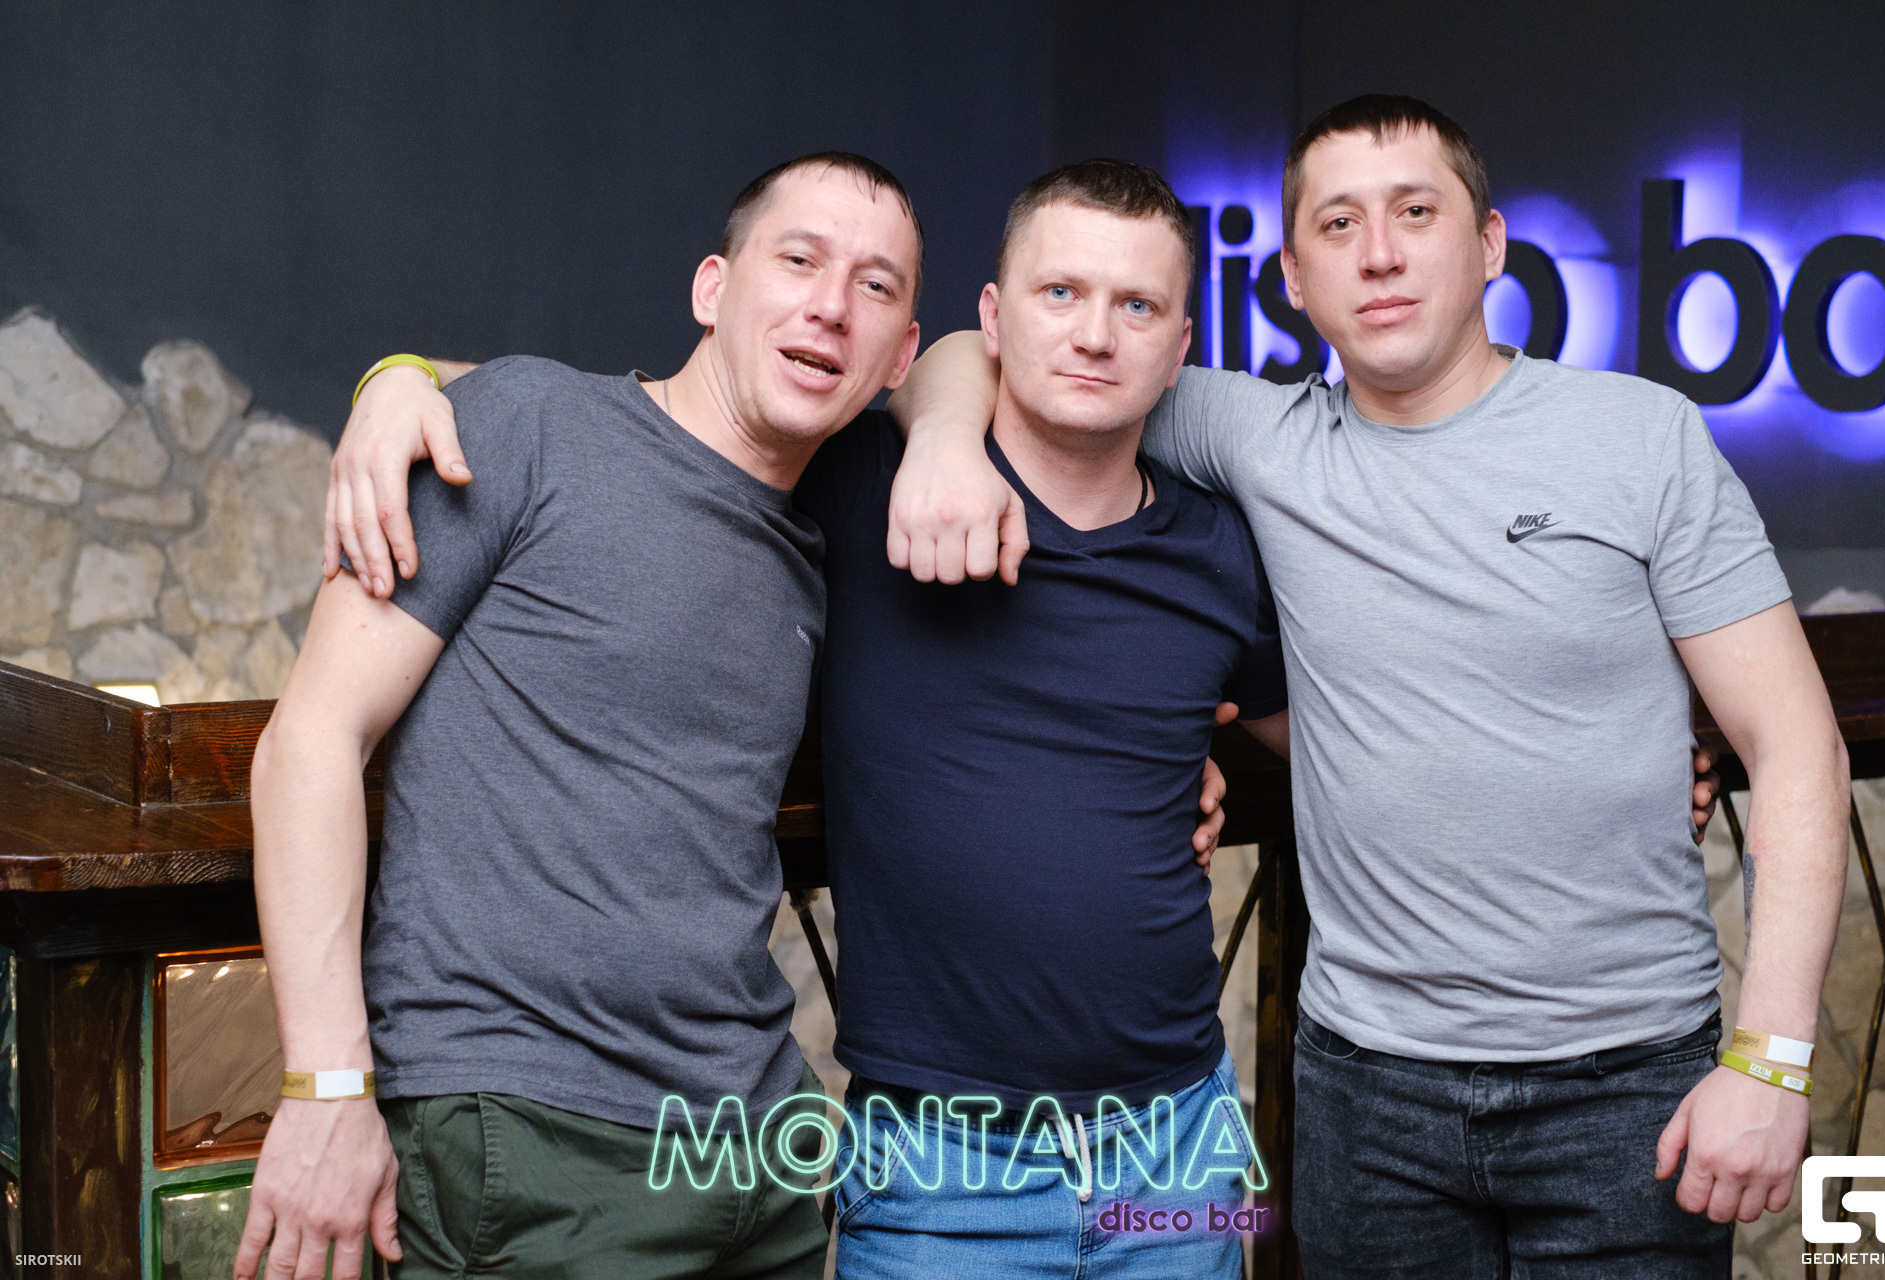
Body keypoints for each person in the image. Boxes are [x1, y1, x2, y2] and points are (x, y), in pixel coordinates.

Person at [326, 151, 1725, 1276]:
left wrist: (1610, 762)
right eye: (1059, 294)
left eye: (1136, 308)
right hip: (935, 1162)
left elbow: (1367, 734)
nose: (1095, 333)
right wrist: (398, 381)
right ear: (991, 323)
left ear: (1183, 345)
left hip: (1181, 1146)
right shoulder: (864, 488)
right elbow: (640, 423)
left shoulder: (1220, 546)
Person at [883, 97, 1851, 1276]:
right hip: (1367, 1090)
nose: (1379, 253)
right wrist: (943, 441)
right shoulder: (1249, 432)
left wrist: (1771, 1059)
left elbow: (1796, 745)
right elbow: (986, 354)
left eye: (1415, 212)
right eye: (1338, 224)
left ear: (1488, 244)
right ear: (1294, 277)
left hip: (1628, 1079)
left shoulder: (1642, 437)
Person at [240, 151, 927, 1280]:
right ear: (712, 288)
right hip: (530, 1138)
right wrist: (326, 1085)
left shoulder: (835, 527)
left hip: (757, 1150)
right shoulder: (526, 422)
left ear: (899, 355)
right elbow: (310, 741)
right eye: (798, 260)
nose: (830, 305)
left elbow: (1007, 382)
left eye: (875, 285)